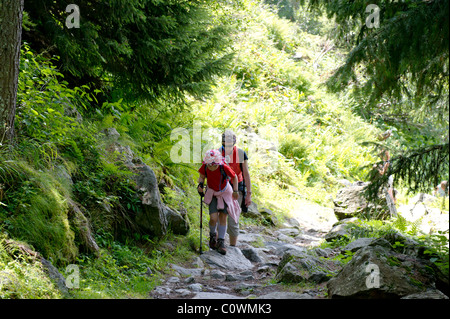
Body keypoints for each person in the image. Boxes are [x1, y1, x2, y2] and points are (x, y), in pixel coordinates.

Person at [197, 149, 240, 255]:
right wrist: (200, 185)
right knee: (213, 218)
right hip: (212, 193)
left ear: (218, 163)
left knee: (223, 217)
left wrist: (235, 191)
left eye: (214, 165)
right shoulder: (206, 166)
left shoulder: (223, 167)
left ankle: (221, 242)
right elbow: (202, 176)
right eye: (210, 165)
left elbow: (234, 177)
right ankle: (213, 236)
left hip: (225, 193)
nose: (211, 167)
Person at [220, 130, 252, 247]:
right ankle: (220, 243)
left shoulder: (240, 153)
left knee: (233, 219)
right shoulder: (218, 153)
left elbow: (246, 173)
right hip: (221, 188)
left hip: (237, 188)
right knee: (221, 217)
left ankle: (233, 248)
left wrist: (248, 194)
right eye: (225, 143)